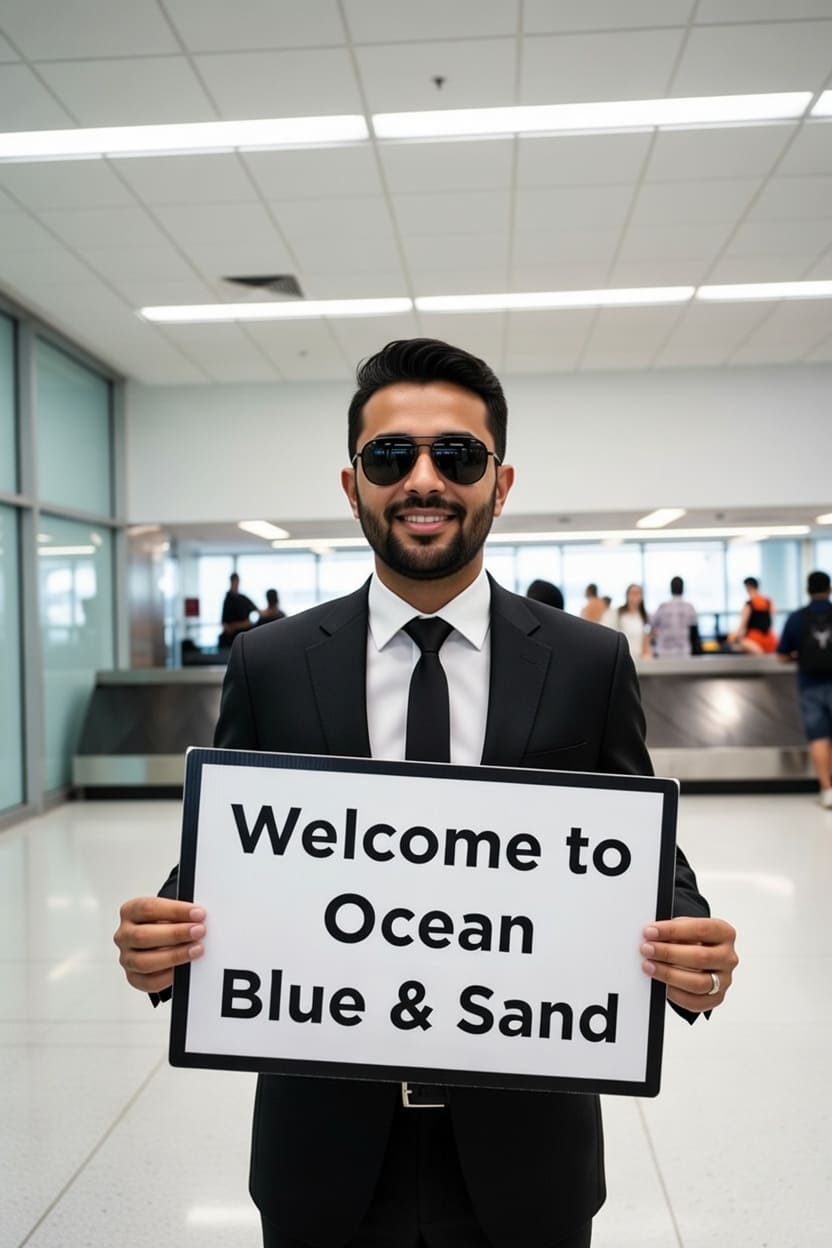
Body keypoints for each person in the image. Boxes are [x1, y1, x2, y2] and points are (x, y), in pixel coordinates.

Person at [114, 339, 737, 1248]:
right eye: (390, 456)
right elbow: (239, 854)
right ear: (351, 482)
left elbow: (636, 845)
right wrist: (162, 936)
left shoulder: (589, 662)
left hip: (529, 1139)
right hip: (322, 1143)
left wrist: (691, 939)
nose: (423, 479)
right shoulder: (274, 663)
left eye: (456, 455)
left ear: (501, 480)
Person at [777, 569, 832, 809]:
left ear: (808, 590)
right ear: (829, 589)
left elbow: (781, 655)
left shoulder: (797, 618)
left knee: (819, 737)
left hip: (810, 684)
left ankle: (827, 790)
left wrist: (796, 657)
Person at [650, 576, 700, 657]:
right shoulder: (690, 607)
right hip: (684, 652)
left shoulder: (663, 607)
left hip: (663, 652)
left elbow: (652, 626)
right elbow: (694, 634)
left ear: (670, 588)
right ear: (683, 588)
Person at [730, 576, 777, 654]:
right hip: (770, 640)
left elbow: (742, 625)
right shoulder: (769, 602)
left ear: (748, 587)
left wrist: (735, 638)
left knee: (734, 646)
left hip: (753, 640)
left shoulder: (749, 604)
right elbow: (771, 618)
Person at [218, 572, 257, 648]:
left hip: (244, 636)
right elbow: (224, 623)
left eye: (237, 582)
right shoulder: (228, 599)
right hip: (232, 638)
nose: (236, 584)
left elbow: (256, 611)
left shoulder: (243, 598)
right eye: (234, 582)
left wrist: (237, 625)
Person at [613, 584, 652, 659]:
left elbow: (645, 640)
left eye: (638, 593)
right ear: (627, 595)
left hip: (639, 658)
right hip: (623, 657)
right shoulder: (619, 613)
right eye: (632, 593)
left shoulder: (643, 616)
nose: (635, 596)